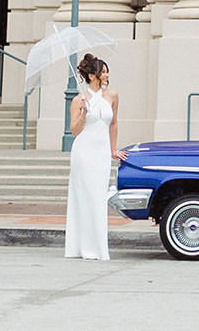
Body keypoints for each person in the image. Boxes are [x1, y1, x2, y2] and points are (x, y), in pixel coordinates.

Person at [65, 53, 125, 260]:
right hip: (83, 152)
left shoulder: (112, 96)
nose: (107, 74)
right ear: (92, 76)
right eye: (103, 71)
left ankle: (98, 247)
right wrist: (82, 113)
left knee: (98, 197)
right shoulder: (79, 99)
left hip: (101, 153)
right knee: (84, 197)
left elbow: (114, 123)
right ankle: (82, 247)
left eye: (107, 71)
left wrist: (113, 150)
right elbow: (74, 130)